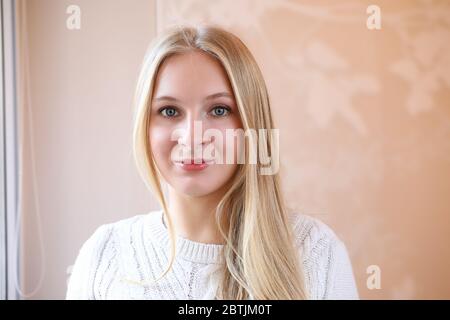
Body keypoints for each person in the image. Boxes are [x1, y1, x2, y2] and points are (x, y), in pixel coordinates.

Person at [66, 24, 359, 300]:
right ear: (144, 126)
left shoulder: (317, 252)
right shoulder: (104, 254)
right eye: (169, 111)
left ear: (250, 126)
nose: (193, 137)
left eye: (219, 110)